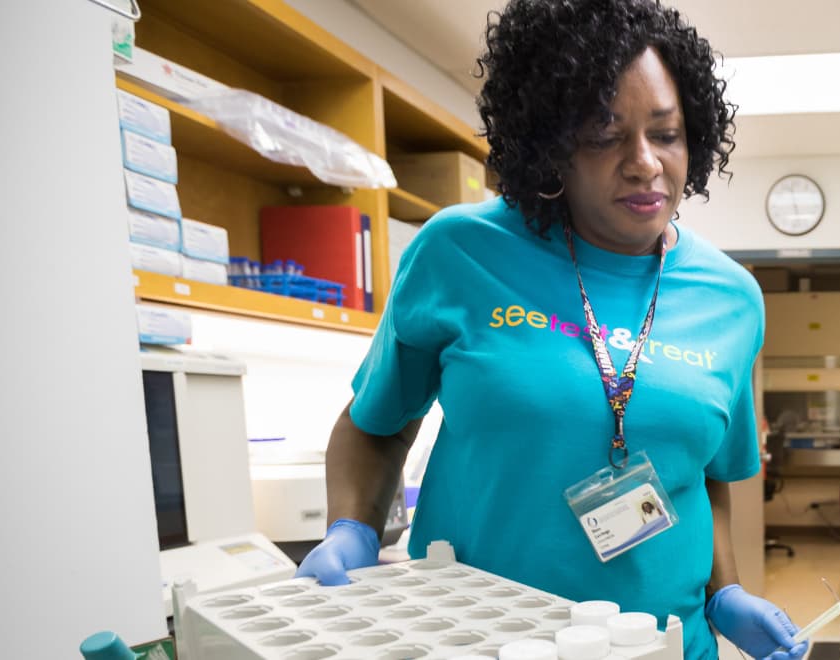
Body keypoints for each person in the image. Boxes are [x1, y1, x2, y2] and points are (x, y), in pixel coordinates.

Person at [291, 1, 806, 658]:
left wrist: (725, 595)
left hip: (662, 645)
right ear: (550, 143)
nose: (644, 162)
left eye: (666, 133)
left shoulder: (731, 298)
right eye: (604, 133)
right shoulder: (460, 252)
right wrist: (351, 529)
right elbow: (378, 424)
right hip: (475, 639)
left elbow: (706, 476)